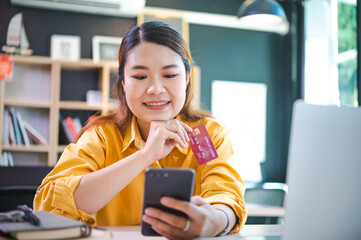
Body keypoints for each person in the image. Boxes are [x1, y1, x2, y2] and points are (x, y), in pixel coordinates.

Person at [34, 21, 247, 239]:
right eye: (140, 77)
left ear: (187, 79)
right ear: (124, 83)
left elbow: (226, 197)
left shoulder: (205, 135)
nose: (156, 89)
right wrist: (145, 155)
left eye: (170, 75)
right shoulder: (102, 136)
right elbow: (48, 206)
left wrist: (215, 221)